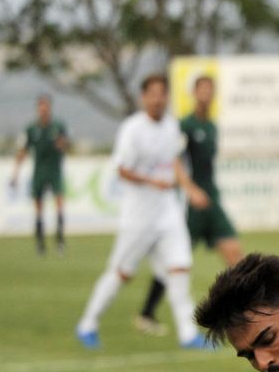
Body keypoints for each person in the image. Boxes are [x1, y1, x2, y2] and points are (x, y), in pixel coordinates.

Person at [74, 74, 209, 349]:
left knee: (180, 267)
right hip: (139, 214)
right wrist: (151, 182)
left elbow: (174, 162)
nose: (158, 99)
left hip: (167, 211)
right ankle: (88, 323)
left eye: (163, 93)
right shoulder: (132, 129)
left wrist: (189, 188)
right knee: (122, 272)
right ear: (144, 97)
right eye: (153, 93)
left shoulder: (171, 126)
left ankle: (188, 333)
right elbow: (122, 169)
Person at [135, 75, 242, 337]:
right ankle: (147, 313)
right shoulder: (183, 125)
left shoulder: (213, 127)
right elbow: (173, 159)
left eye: (210, 89)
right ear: (194, 93)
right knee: (175, 262)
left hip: (211, 200)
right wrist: (190, 189)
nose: (206, 93)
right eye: (202, 89)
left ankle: (239, 314)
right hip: (190, 205)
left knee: (235, 254)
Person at [11, 95, 71, 255]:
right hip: (39, 171)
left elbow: (66, 146)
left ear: (50, 108)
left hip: (54, 171)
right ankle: (40, 242)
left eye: (46, 107)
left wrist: (62, 144)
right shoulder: (31, 129)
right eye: (40, 107)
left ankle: (59, 239)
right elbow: (23, 151)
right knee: (38, 208)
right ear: (38, 109)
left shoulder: (58, 126)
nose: (43, 110)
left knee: (59, 204)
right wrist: (15, 173)